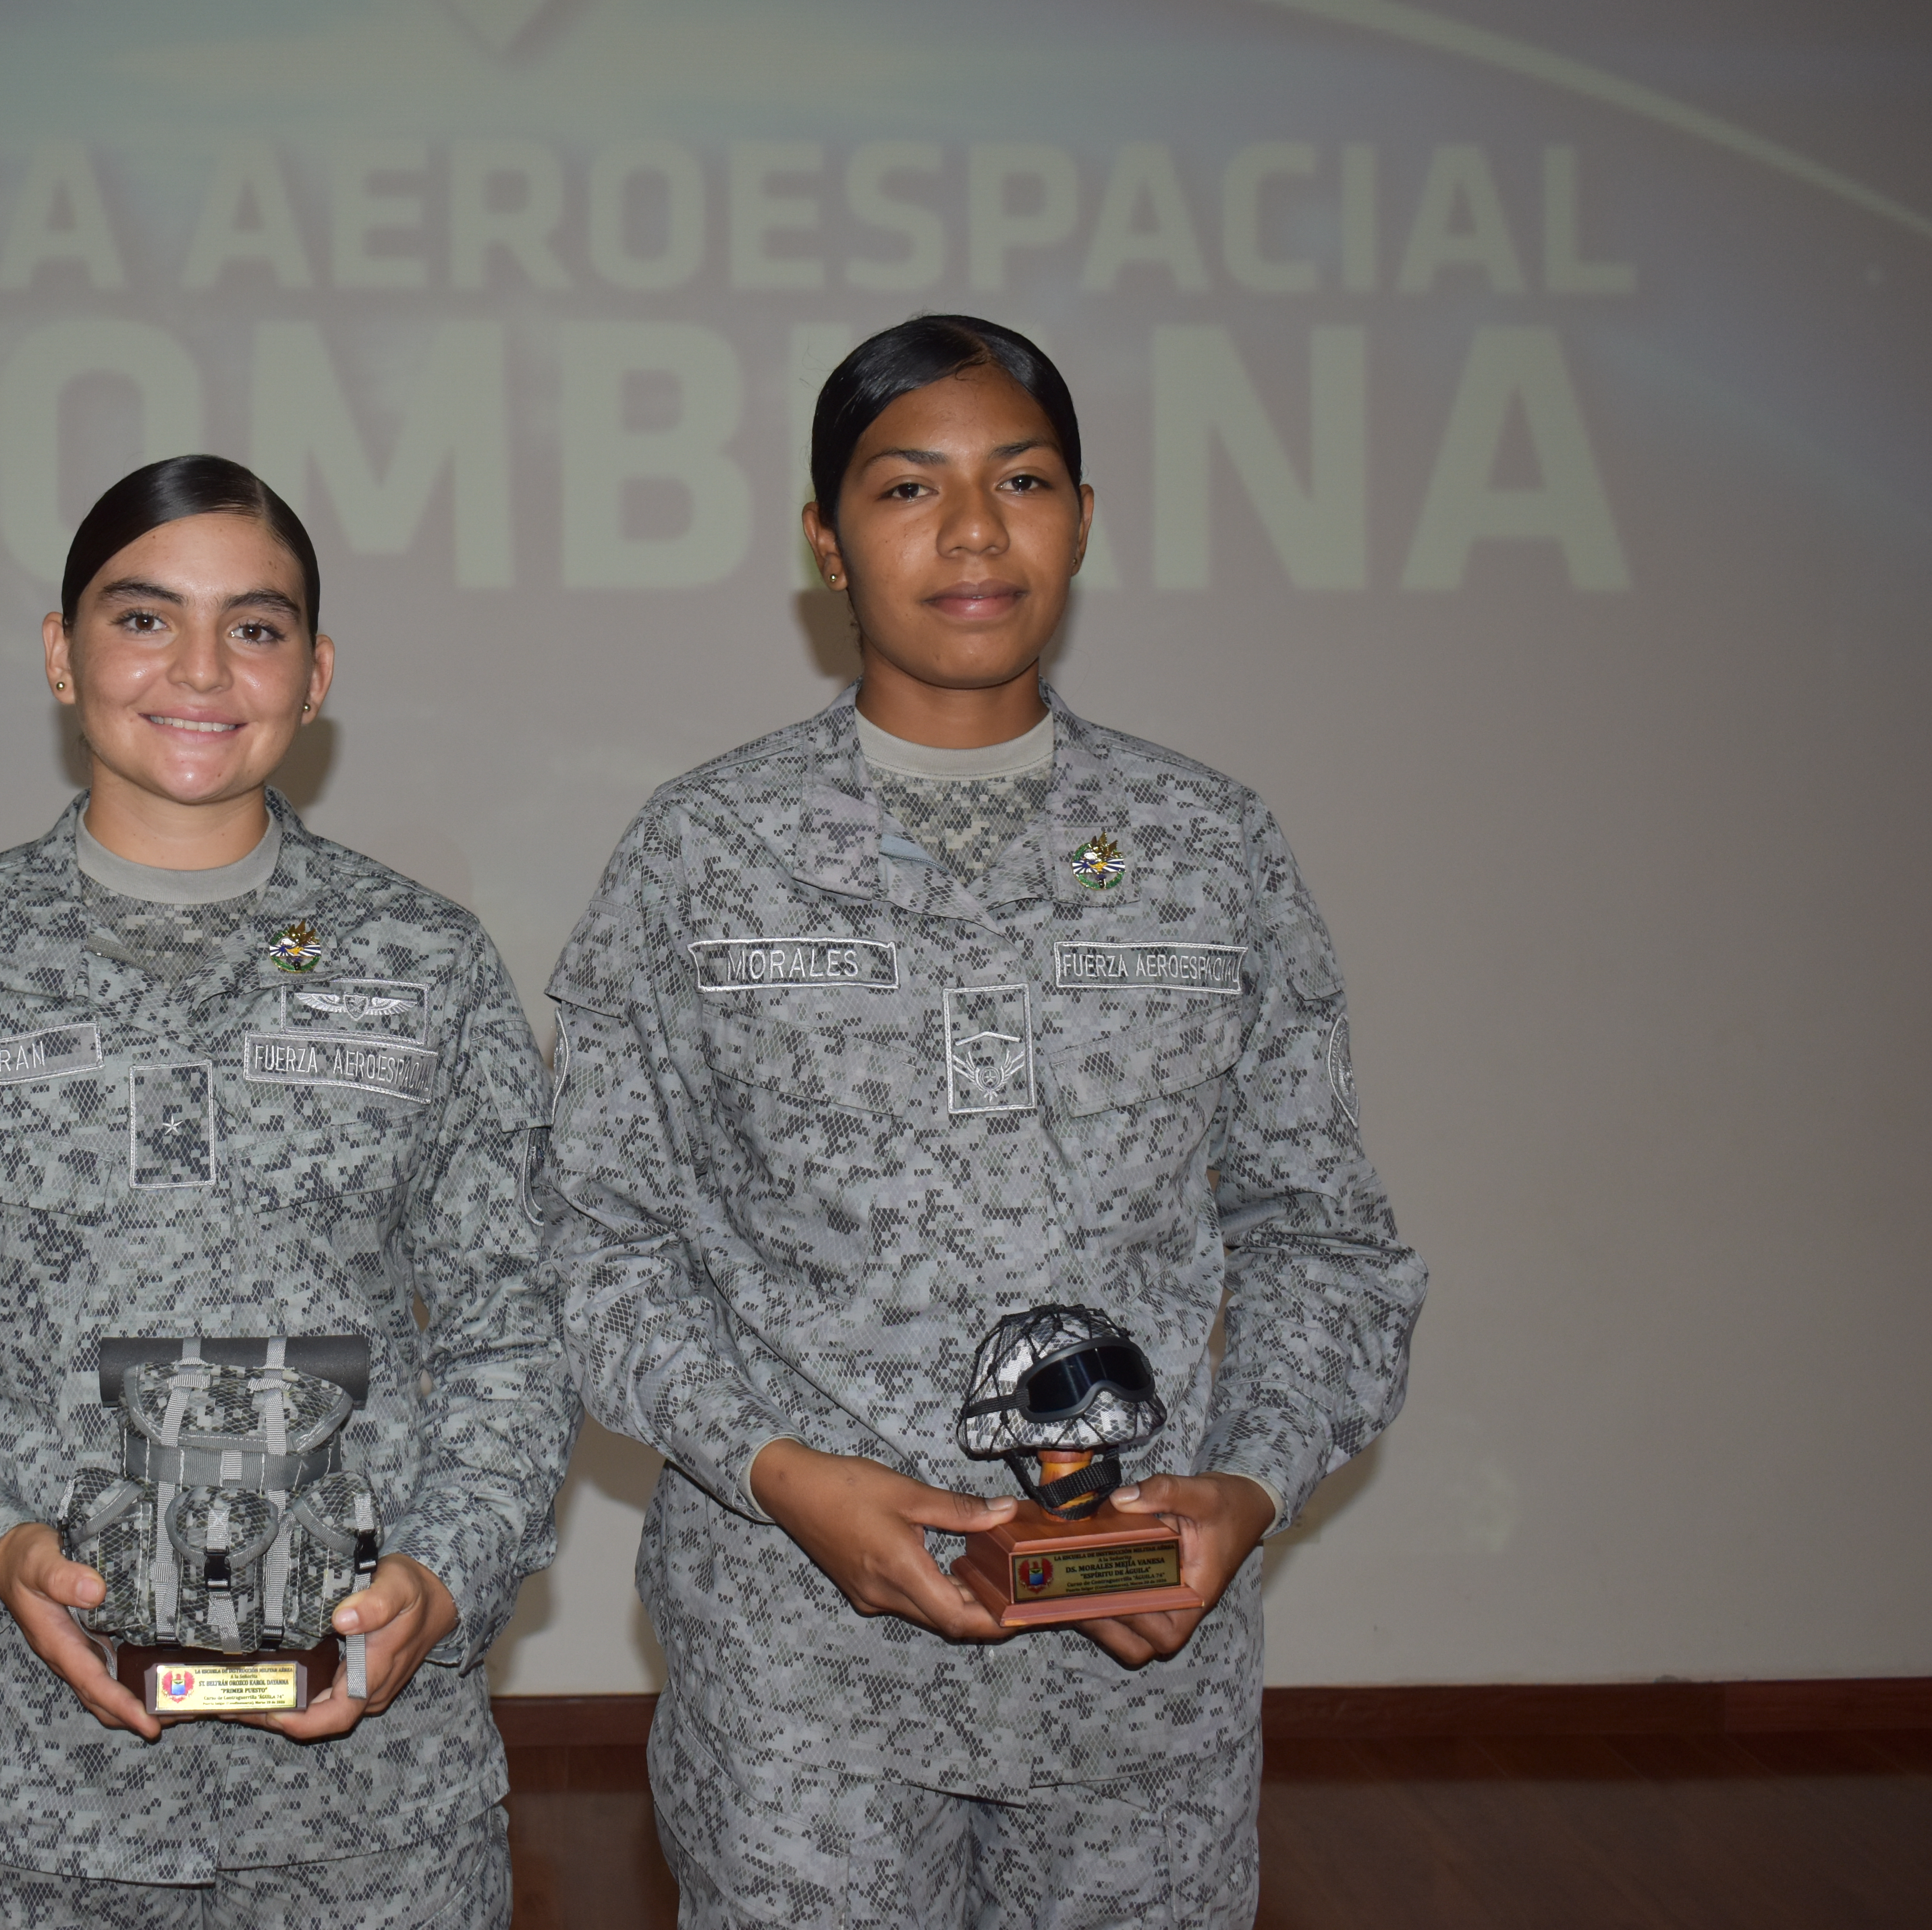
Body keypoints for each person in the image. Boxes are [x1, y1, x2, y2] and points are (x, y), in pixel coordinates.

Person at [541, 317, 1425, 1927]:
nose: (969, 532)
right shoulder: (705, 856)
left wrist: (1244, 1489)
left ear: (1082, 517)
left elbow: (1326, 1245)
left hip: (1135, 1687)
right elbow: (592, 1243)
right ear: (826, 540)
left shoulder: (1209, 851)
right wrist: (780, 1473)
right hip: (802, 1679)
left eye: (1018, 480)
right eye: (905, 488)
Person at [0, 455, 574, 1928]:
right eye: (145, 621)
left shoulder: (425, 966)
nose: (201, 670)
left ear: (315, 674)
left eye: (254, 629)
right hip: (41, 1796)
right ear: (63, 655)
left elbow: (523, 1322)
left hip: (377, 1803)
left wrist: (445, 1570)